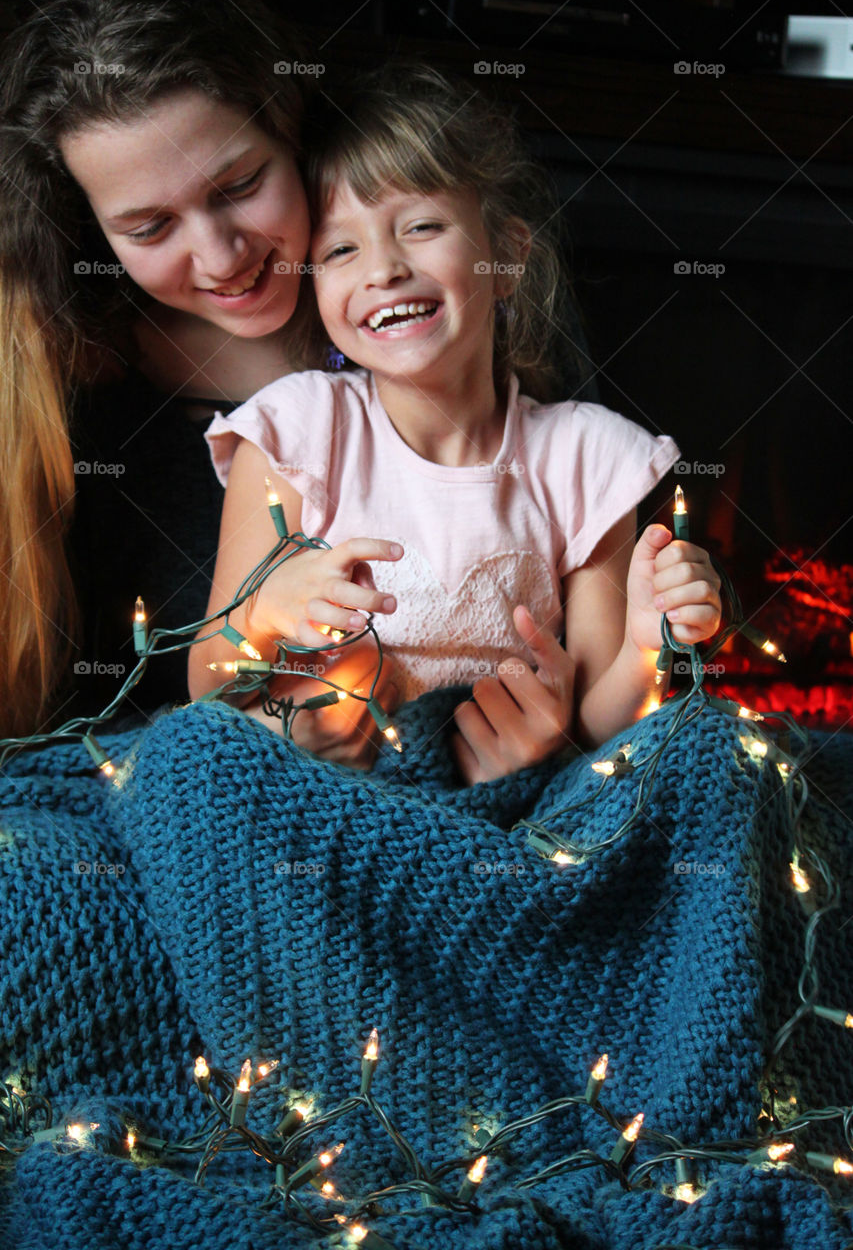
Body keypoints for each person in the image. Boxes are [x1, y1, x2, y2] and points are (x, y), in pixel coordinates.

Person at [190, 65, 722, 783]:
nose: (382, 267)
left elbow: (597, 731)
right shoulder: (295, 434)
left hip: (501, 811)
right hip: (317, 799)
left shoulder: (586, 458)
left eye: (421, 226)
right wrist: (261, 613)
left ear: (507, 259)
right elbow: (207, 684)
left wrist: (642, 649)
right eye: (340, 249)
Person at [0, 0, 394, 761]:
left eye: (242, 185)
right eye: (148, 228)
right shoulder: (74, 391)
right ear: (93, 229)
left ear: (295, 133)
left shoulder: (430, 301)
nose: (221, 258)